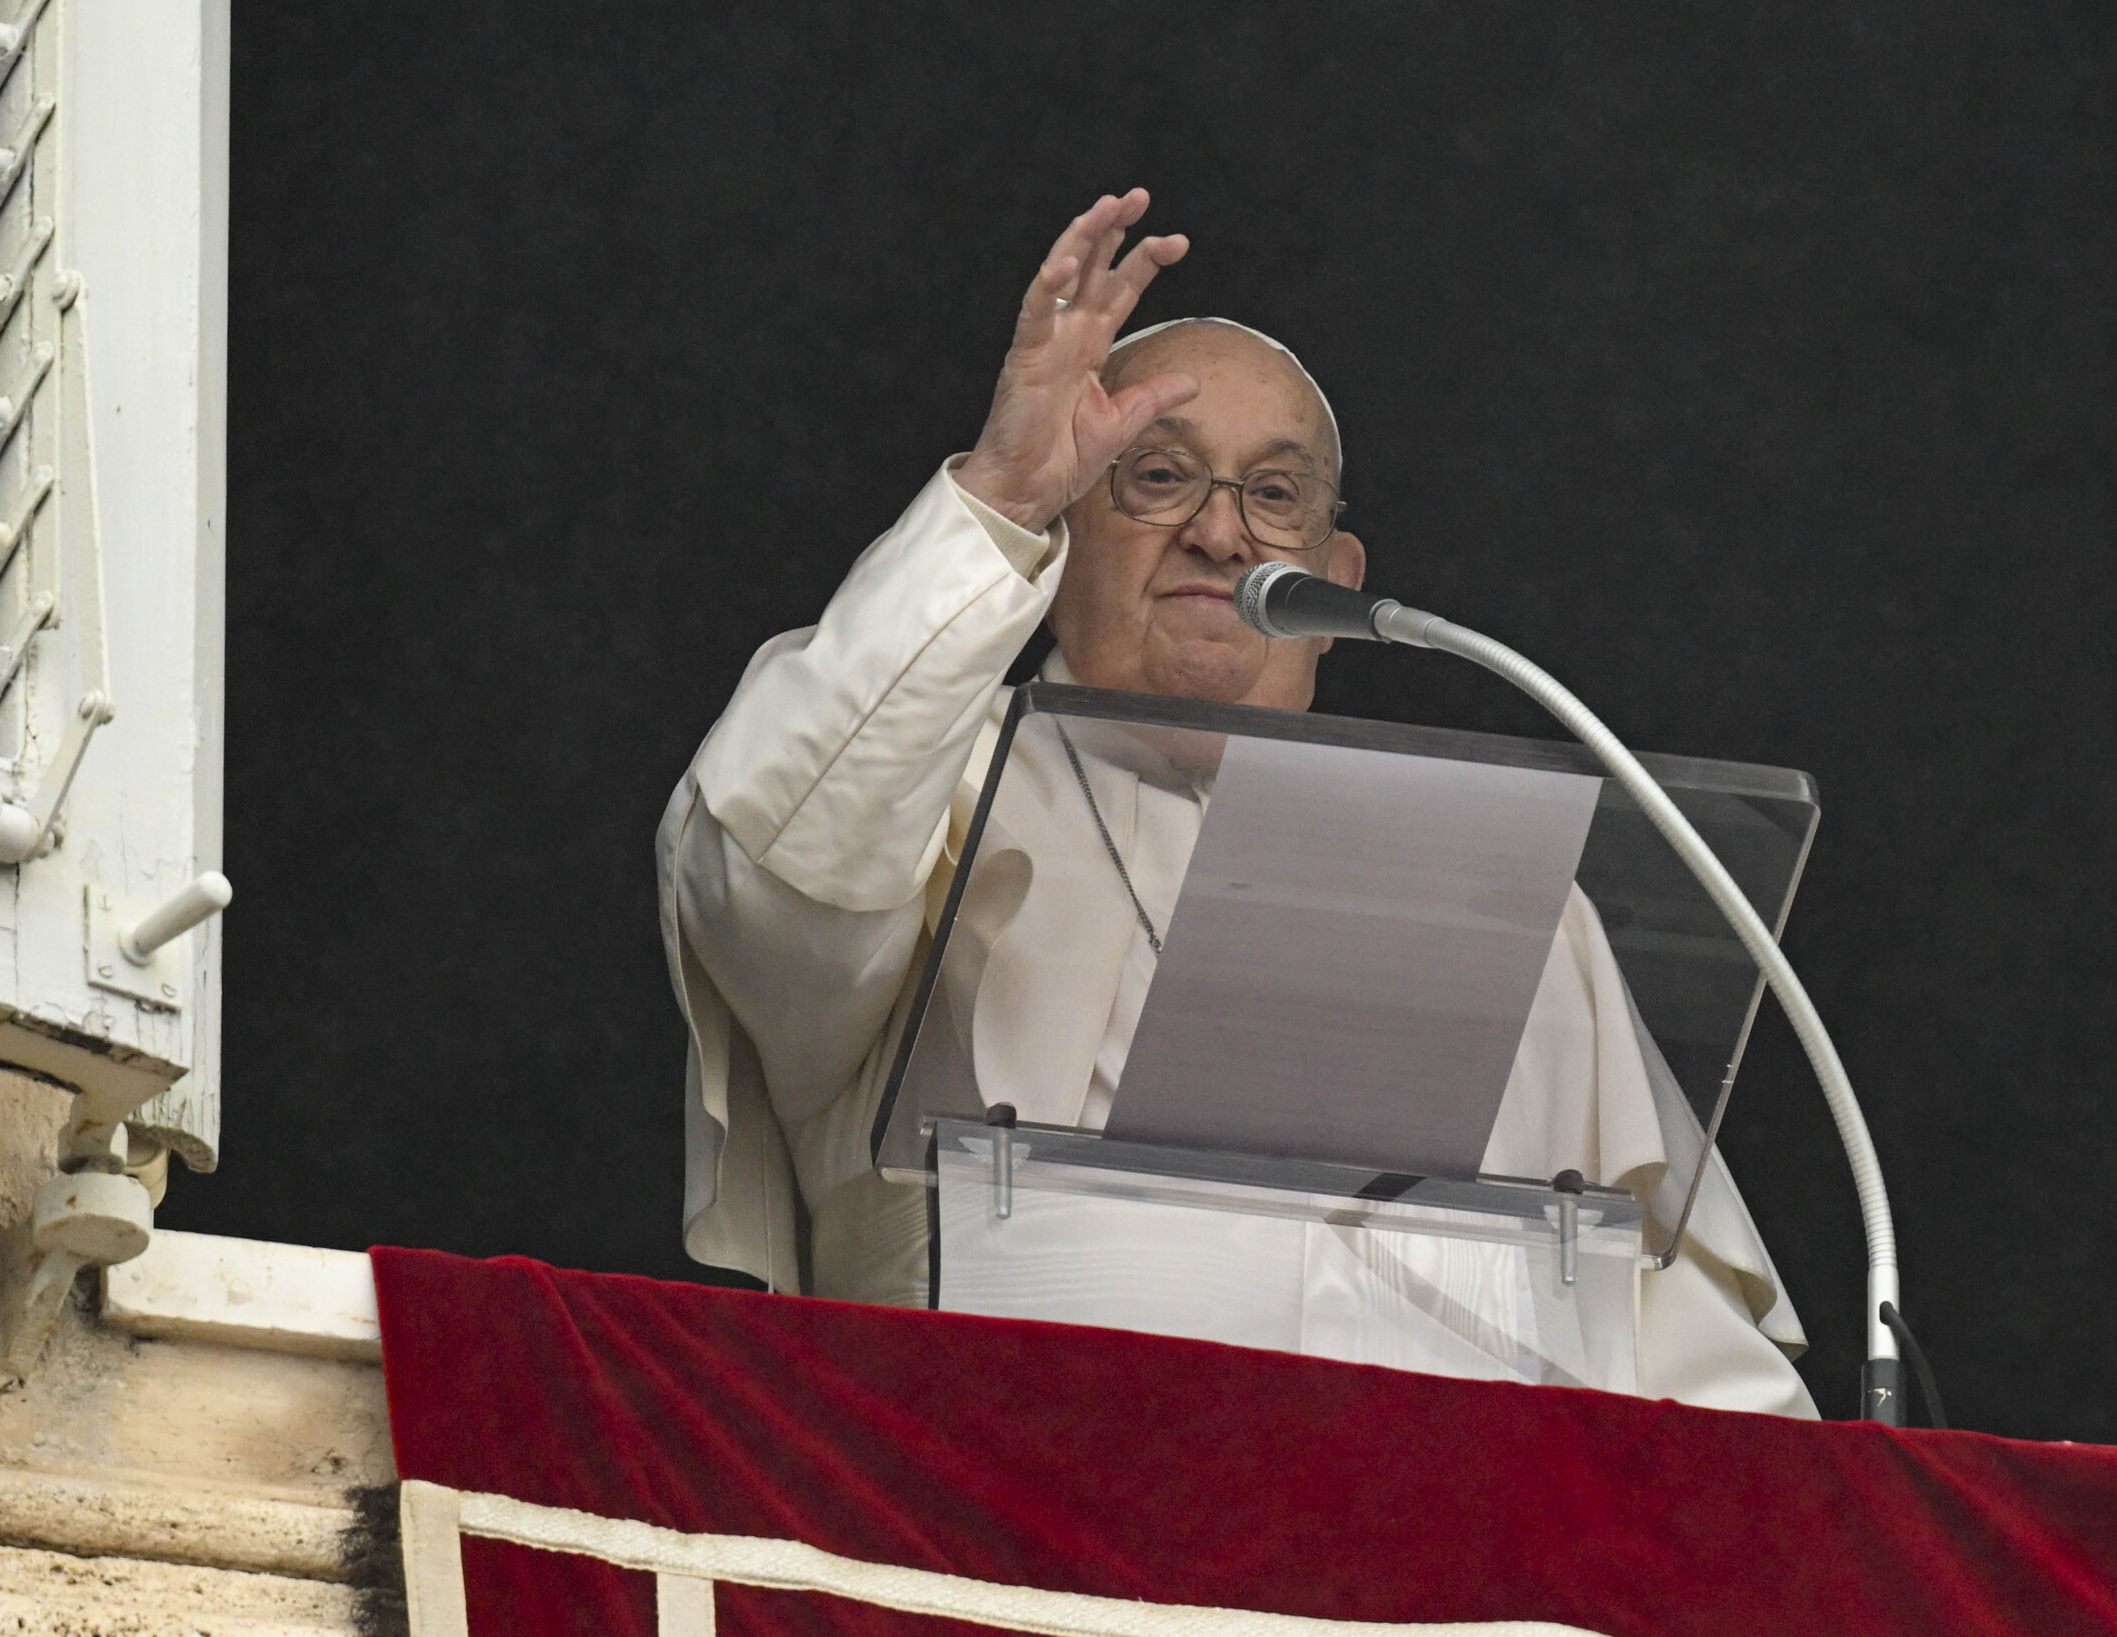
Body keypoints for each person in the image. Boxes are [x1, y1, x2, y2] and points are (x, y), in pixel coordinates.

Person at [658, 191, 1816, 1416]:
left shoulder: (1502, 887)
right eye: (1156, 478)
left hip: (1462, 1571)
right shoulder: (925, 782)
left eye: (1275, 496)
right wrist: (999, 491)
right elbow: (772, 887)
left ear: (1336, 577)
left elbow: (1676, 1340)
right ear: (1065, 536)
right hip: (1025, 1517)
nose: (1220, 533)